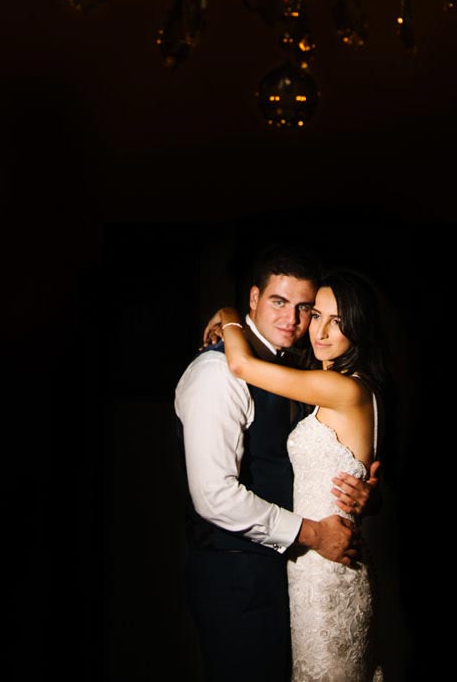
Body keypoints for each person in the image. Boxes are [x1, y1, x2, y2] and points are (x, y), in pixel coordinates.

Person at [175, 249, 379, 682]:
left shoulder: (304, 373)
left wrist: (364, 489)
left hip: (292, 570)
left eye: (307, 308)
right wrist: (313, 533)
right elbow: (214, 496)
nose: (296, 320)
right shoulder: (218, 372)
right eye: (279, 302)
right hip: (238, 577)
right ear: (254, 299)